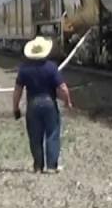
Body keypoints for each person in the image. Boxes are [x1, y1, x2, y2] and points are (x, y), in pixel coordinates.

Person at [12, 36, 73, 173]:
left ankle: (38, 166)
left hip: (32, 104)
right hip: (49, 102)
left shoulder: (24, 69)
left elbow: (17, 91)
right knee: (52, 133)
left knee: (35, 136)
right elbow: (62, 87)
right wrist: (67, 101)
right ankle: (51, 166)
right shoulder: (51, 67)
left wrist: (15, 107)